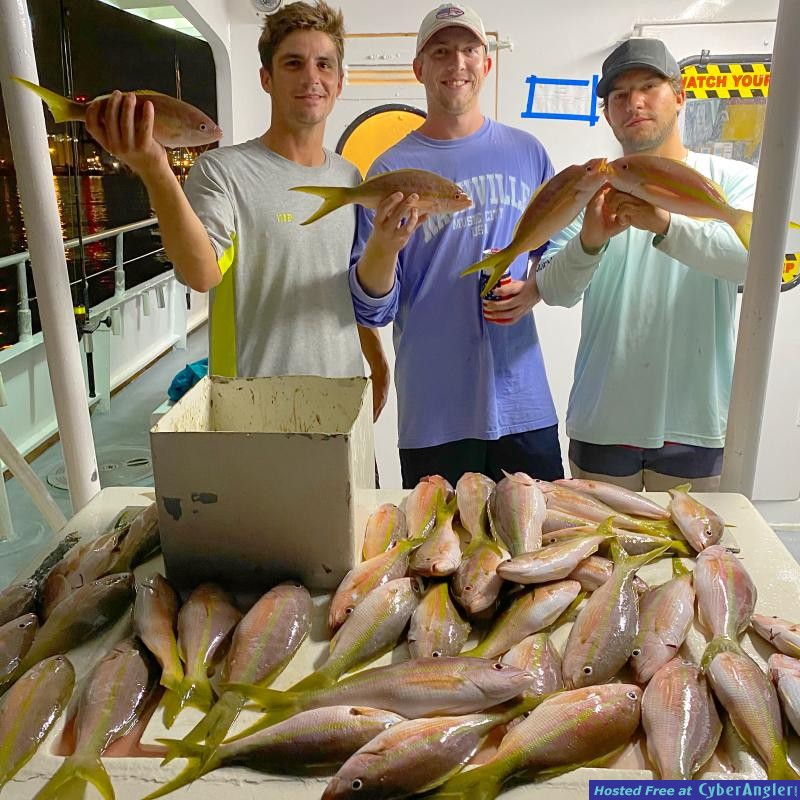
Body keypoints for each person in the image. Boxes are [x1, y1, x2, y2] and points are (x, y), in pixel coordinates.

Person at [84, 1, 389, 420]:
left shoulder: (352, 177)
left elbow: (346, 287)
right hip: (251, 407)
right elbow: (201, 273)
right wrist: (155, 168)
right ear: (266, 78)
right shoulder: (223, 171)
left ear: (338, 83)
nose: (311, 77)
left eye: (324, 65)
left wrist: (377, 363)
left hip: (343, 400)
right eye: (293, 63)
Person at [349, 3, 563, 489]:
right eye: (441, 52)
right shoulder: (388, 170)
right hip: (434, 414)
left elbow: (558, 252)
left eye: (469, 50)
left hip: (525, 405)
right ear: (419, 69)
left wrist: (534, 288)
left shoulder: (528, 153)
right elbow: (372, 308)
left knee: (538, 553)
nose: (457, 63)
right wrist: (384, 245)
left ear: (487, 65)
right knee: (438, 558)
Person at [532, 38, 757, 490]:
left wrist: (667, 223)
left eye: (648, 87)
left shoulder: (733, 181)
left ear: (679, 95)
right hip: (603, 422)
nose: (634, 102)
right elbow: (554, 291)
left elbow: (752, 265)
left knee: (693, 560)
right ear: (608, 114)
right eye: (618, 95)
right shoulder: (589, 187)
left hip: (699, 424)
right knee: (603, 560)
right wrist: (589, 242)